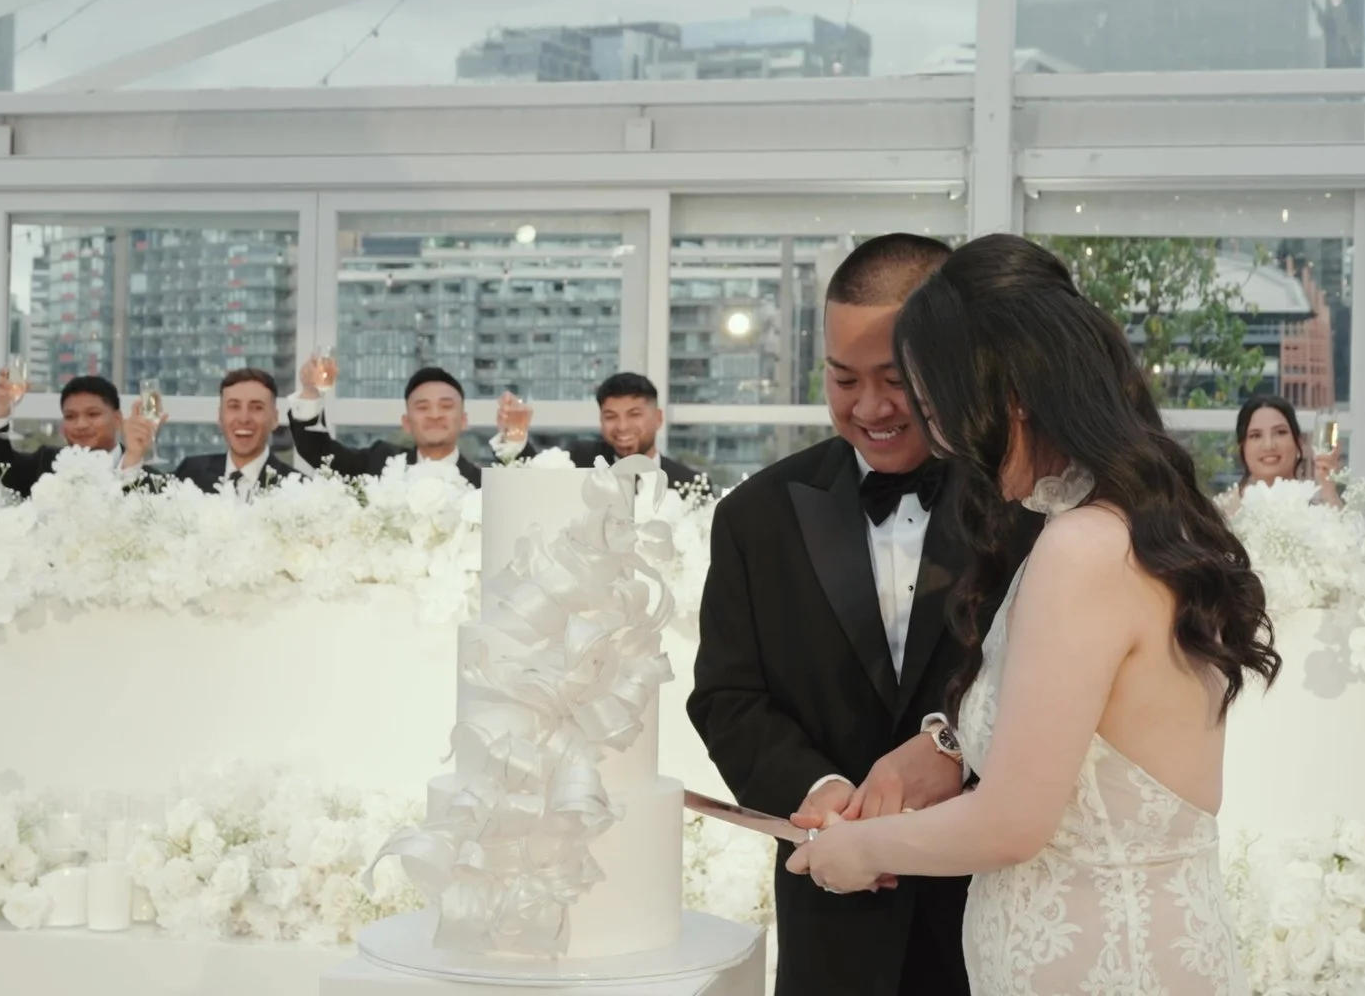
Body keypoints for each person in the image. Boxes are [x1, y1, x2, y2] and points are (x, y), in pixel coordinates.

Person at [782, 234, 1278, 995]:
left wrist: (862, 850)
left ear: (1008, 396)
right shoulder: (1129, 524)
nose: (941, 439)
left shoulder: (1082, 547)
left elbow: (1012, 822)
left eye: (936, 405)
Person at [689, 233, 1039, 996]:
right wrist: (817, 791)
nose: (869, 408)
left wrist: (957, 751)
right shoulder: (757, 516)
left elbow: (1061, 695)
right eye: (843, 379)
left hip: (997, 915)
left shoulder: (1031, 507)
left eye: (895, 381)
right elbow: (728, 697)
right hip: (834, 926)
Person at [287, 364, 526, 488]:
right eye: (422, 407)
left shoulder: (484, 485)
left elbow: (526, 491)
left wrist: (514, 436)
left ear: (463, 420)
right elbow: (317, 451)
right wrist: (310, 393)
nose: (434, 415)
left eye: (445, 406)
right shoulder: (379, 463)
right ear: (406, 423)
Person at [495, 371, 703, 488]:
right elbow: (532, 481)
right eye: (611, 416)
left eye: (634, 414)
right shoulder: (579, 461)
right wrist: (514, 435)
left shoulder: (689, 484)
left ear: (658, 418)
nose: (622, 427)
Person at [0, 371, 151, 497]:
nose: (81, 425)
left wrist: (132, 459)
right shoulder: (44, 464)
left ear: (118, 419)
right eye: (70, 416)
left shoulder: (151, 480)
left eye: (93, 414)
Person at [164, 368, 297, 496]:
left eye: (256, 408)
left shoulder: (296, 488)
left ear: (274, 419)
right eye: (234, 406)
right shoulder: (191, 472)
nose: (244, 419)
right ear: (220, 416)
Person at [1223, 393, 1342, 511]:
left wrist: (1328, 487)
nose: (1269, 446)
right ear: (1242, 448)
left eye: (1280, 432)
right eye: (1256, 435)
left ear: (1298, 442)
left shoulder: (1321, 507)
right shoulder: (1224, 511)